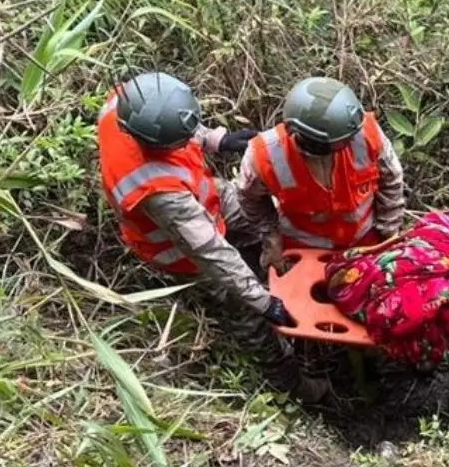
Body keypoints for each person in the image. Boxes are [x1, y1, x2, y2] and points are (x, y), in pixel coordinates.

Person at [97, 71, 328, 403]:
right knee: (248, 319)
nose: (187, 139)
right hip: (178, 248)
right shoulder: (155, 187)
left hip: (206, 196)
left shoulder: (134, 101)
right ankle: (294, 387)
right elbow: (210, 251)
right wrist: (263, 302)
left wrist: (216, 140)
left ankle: (268, 267)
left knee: (271, 224)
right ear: (153, 142)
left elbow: (179, 123)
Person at [238, 77, 407, 270]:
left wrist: (389, 231)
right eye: (341, 141)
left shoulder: (365, 132)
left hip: (366, 239)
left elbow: (391, 179)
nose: (350, 142)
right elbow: (248, 198)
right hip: (304, 247)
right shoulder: (264, 154)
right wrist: (271, 238)